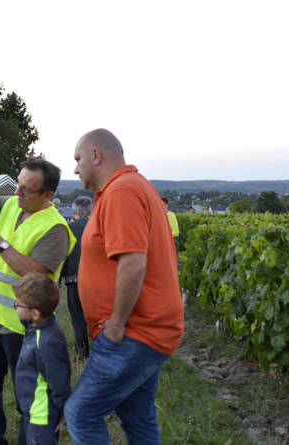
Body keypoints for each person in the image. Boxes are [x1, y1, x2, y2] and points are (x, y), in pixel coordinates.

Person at [64, 128, 185, 444]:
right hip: (146, 331)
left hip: (132, 333)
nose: (75, 169)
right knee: (137, 417)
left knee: (81, 413)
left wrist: (115, 326)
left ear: (96, 155)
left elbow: (133, 263)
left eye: (78, 159)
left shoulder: (121, 191)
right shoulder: (131, 187)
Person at [0, 158, 76, 445]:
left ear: (48, 195)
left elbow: (36, 275)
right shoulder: (14, 202)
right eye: (18, 184)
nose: (18, 193)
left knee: (28, 402)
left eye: (27, 190)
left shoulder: (56, 229)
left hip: (25, 328)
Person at [12, 273, 71, 445]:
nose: (15, 307)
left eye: (18, 304)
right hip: (33, 409)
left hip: (41, 414)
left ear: (35, 313)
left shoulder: (45, 342)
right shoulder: (38, 327)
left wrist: (63, 409)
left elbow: (58, 381)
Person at [60, 195, 93, 360]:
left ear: (73, 211)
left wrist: (58, 279)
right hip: (96, 282)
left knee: (78, 320)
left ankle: (81, 354)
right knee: (97, 318)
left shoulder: (68, 229)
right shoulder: (98, 227)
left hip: (74, 281)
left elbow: (62, 257)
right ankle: (100, 354)